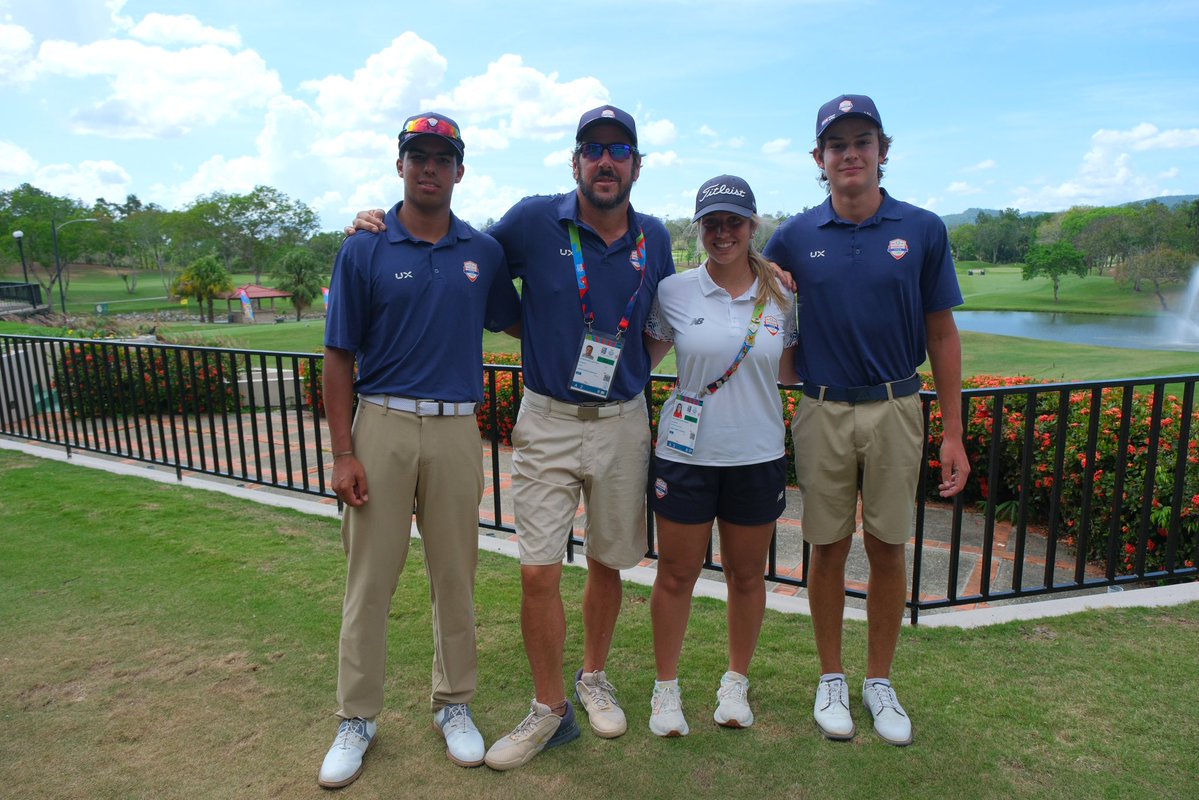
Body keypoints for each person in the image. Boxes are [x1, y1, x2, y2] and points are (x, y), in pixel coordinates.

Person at [348, 105, 675, 771]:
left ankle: (592, 677)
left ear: (636, 164)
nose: (604, 161)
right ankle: (548, 709)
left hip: (620, 420)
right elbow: (467, 254)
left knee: (610, 561)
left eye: (618, 150)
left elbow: (663, 318)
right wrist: (376, 226)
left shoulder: (655, 237)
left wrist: (638, 364)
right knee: (536, 571)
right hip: (548, 416)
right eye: (592, 150)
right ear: (575, 162)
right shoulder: (533, 219)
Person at [317, 112, 520, 788]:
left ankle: (453, 704)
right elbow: (339, 356)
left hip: (458, 429)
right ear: (400, 164)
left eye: (442, 157)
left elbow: (526, 311)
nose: (429, 167)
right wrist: (343, 451)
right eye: (417, 155)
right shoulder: (365, 247)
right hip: (382, 425)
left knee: (455, 577)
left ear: (460, 170)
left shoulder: (482, 252)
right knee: (369, 581)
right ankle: (357, 717)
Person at [762, 94, 970, 747]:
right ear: (817, 160)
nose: (849, 154)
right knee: (824, 547)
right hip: (821, 408)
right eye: (836, 145)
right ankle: (831, 676)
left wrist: (953, 432)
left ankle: (878, 679)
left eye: (861, 142)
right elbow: (765, 319)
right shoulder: (793, 236)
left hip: (895, 406)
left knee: (886, 547)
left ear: (883, 150)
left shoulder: (923, 229)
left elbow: (942, 334)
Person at [642, 175, 798, 736]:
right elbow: (645, 355)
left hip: (756, 455)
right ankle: (666, 691)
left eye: (734, 222)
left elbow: (791, 367)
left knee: (746, 576)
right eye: (712, 223)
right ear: (699, 228)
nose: (723, 233)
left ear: (752, 227)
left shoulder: (782, 294)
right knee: (676, 574)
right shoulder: (673, 291)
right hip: (686, 456)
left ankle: (735, 683)